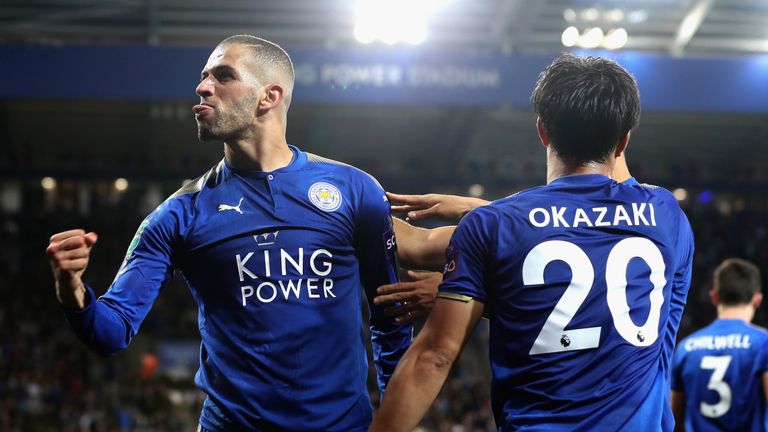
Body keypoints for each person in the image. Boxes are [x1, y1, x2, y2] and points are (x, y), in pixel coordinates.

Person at [45, 35, 412, 432]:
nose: (203, 87)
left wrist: (395, 418)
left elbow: (390, 319)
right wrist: (72, 290)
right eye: (204, 77)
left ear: (268, 96)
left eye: (223, 76)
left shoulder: (355, 191)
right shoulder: (177, 215)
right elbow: (111, 332)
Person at [370, 53, 695, 431]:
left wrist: (340, 191)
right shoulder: (666, 214)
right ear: (623, 141)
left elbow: (434, 356)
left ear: (542, 131)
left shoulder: (495, 225)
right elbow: (601, 216)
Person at [671, 258, 768, 432]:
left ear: (714, 297)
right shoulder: (762, 343)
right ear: (757, 300)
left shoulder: (686, 348)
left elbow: (674, 420)